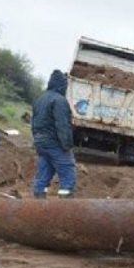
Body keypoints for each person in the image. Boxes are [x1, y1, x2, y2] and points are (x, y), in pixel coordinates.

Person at [31, 70, 76, 199]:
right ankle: (65, 207)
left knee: (45, 171)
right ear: (62, 85)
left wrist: (36, 141)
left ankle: (39, 206)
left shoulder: (40, 99)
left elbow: (33, 122)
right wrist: (67, 145)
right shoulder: (59, 100)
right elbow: (62, 125)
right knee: (67, 171)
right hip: (54, 142)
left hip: (40, 142)